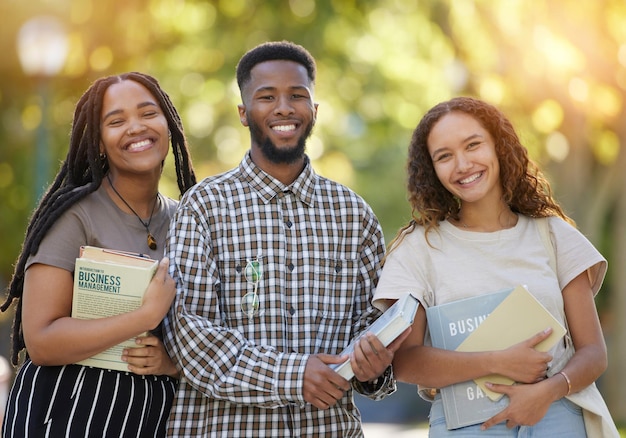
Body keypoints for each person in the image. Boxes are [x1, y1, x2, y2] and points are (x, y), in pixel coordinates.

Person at [163, 40, 408, 437]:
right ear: (243, 113)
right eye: (266, 97)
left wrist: (373, 365)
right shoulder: (203, 206)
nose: (283, 107)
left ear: (315, 110)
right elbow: (188, 336)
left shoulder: (354, 215)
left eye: (297, 95)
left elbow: (374, 327)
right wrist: (294, 376)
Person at [372, 96, 619, 437]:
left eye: (473, 145)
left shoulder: (553, 234)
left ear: (499, 147)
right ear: (432, 170)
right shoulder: (419, 248)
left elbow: (593, 353)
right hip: (467, 424)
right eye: (444, 156)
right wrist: (497, 361)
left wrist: (547, 392)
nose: (462, 164)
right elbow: (406, 361)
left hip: (556, 414)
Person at [0, 72, 196, 437]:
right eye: (116, 121)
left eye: (147, 113)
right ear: (99, 142)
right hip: (65, 411)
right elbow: (41, 341)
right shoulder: (74, 215)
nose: (136, 127)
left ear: (168, 124)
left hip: (148, 417)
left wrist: (172, 365)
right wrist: (145, 316)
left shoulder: (188, 221)